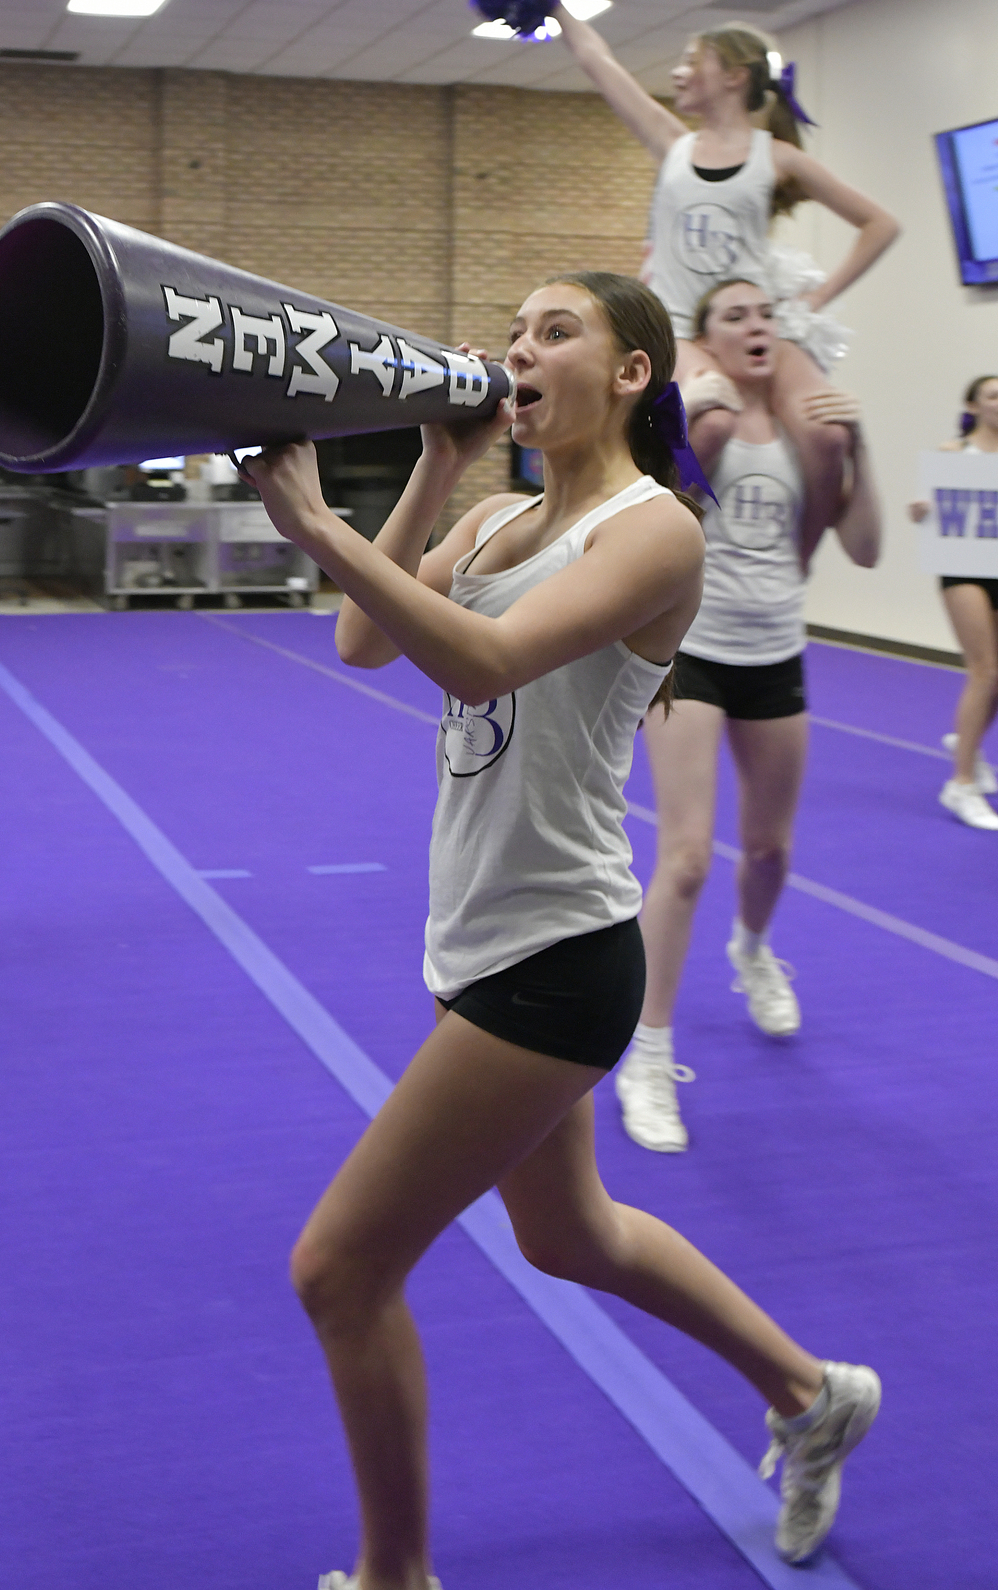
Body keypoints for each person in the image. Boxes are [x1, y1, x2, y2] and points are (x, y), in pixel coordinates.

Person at [240, 272, 879, 1586]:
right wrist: (430, 466)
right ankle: (813, 1394)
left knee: (338, 1270)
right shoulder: (497, 515)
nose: (518, 350)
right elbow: (364, 637)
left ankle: (395, 1571)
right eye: (514, 331)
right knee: (569, 1234)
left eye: (554, 330)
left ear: (634, 370)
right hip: (473, 937)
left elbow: (486, 661)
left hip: (557, 957)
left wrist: (311, 517)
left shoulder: (657, 533)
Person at [614, 280, 880, 1155]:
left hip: (776, 658)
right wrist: (682, 422)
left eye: (765, 314)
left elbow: (866, 548)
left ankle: (754, 950)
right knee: (686, 857)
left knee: (770, 850)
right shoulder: (704, 422)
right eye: (734, 317)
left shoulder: (810, 435)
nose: (755, 326)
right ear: (708, 340)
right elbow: (656, 500)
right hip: (692, 652)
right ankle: (647, 1055)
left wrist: (860, 450)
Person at [554, 7, 898, 562]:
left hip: (750, 322)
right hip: (687, 328)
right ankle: (651, 553)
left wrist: (816, 298)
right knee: (711, 421)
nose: (679, 72)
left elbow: (881, 224)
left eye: (693, 61)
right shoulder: (674, 144)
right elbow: (598, 61)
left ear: (734, 76)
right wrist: (553, 2)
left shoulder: (777, 158)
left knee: (828, 434)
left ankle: (796, 561)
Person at [909, 374, 998, 830]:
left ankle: (968, 742)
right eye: (993, 395)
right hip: (965, 568)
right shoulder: (954, 455)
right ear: (974, 405)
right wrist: (922, 510)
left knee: (997, 676)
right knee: (984, 670)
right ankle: (961, 782)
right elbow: (925, 505)